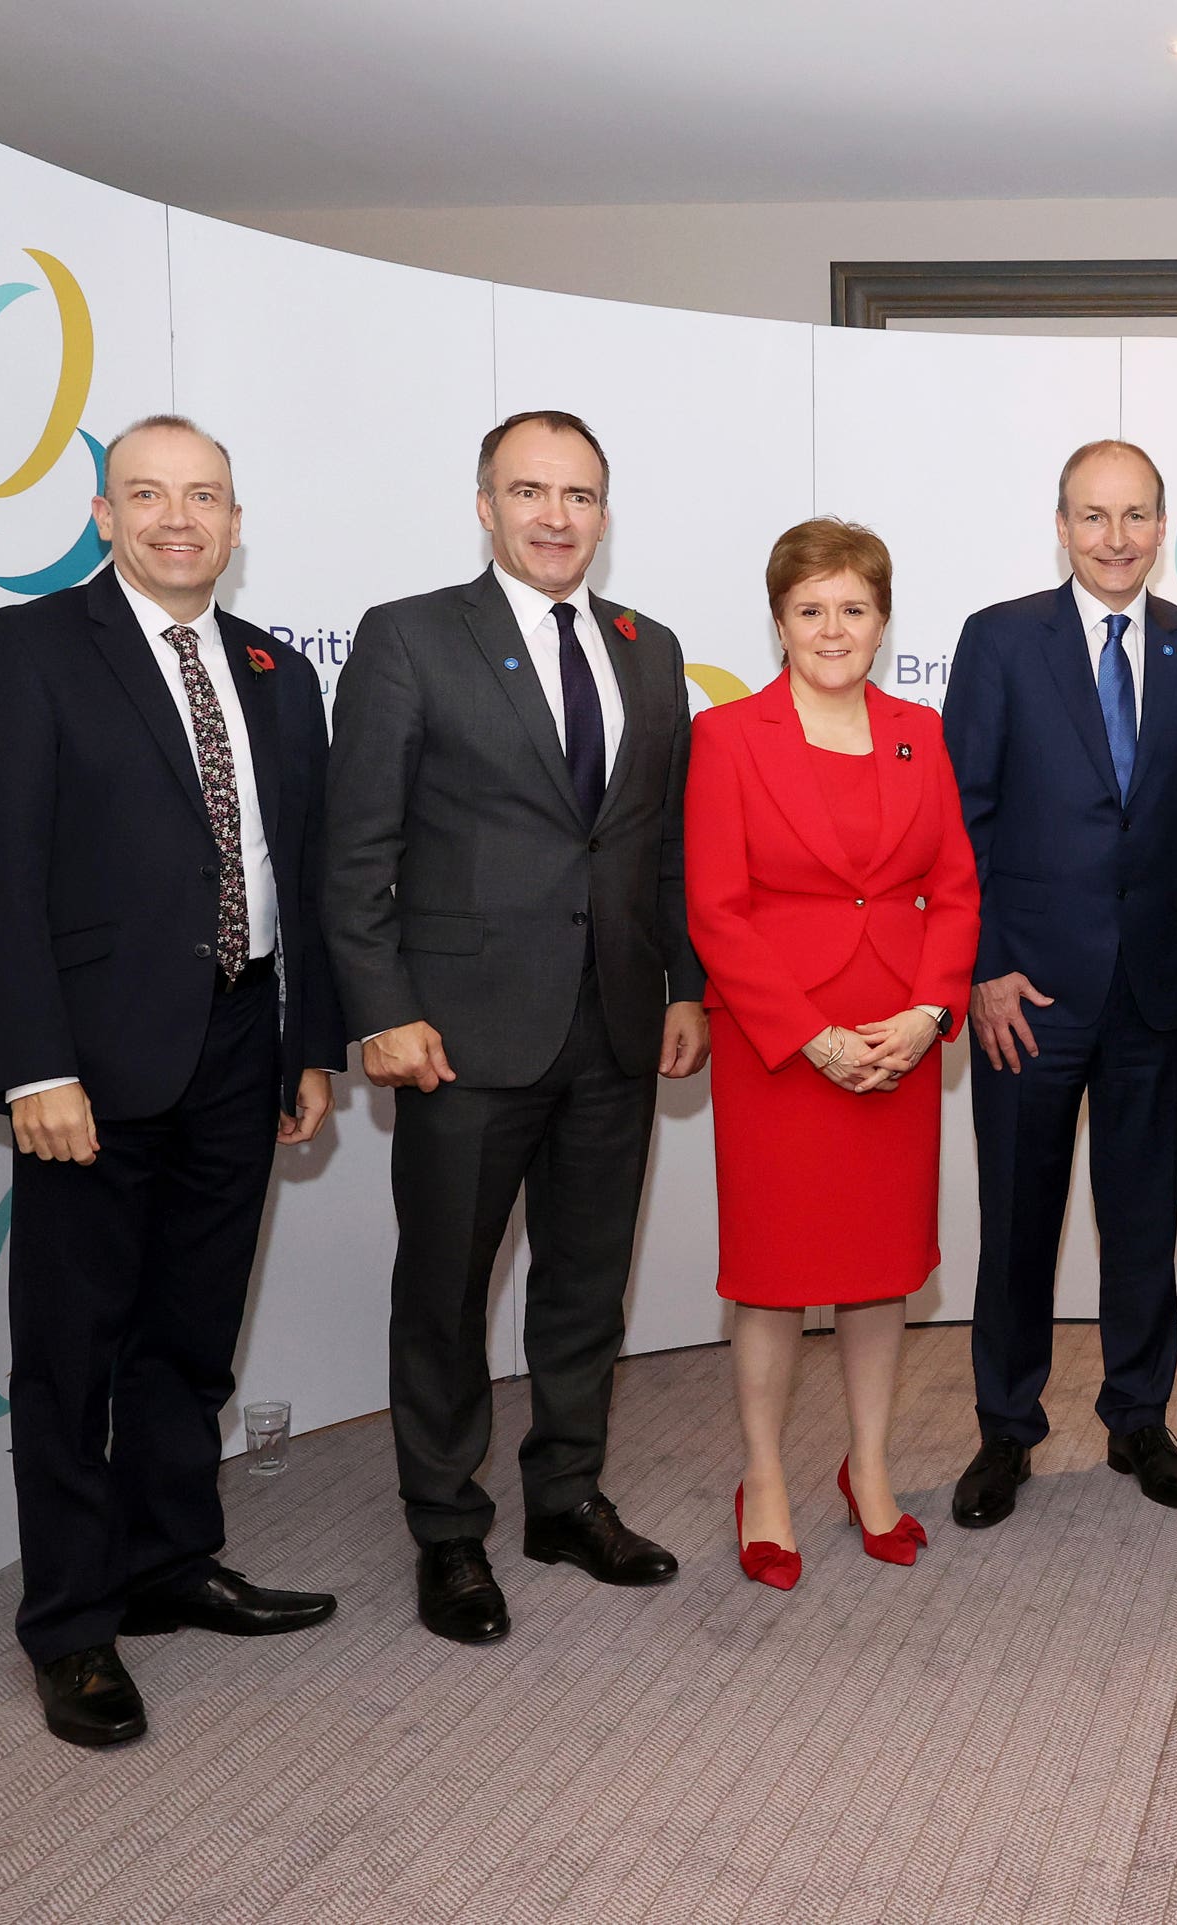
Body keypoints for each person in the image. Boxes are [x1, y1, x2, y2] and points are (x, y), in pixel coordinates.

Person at [0, 415, 342, 1747]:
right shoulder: (25, 651)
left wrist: (306, 1048)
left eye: (207, 497)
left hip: (241, 1041)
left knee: (190, 1330)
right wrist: (33, 1063)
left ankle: (169, 1561)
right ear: (105, 514)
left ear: (237, 521)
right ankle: (70, 1622)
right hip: (92, 1060)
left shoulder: (279, 670)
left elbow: (309, 873)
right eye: (150, 495)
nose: (180, 518)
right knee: (72, 1352)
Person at [325, 409, 710, 1645]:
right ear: (483, 505)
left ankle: (565, 1496)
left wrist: (685, 986)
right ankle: (447, 1530)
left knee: (586, 1284)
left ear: (605, 512)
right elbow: (357, 853)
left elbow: (657, 849)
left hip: (612, 1026)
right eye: (529, 491)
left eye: (580, 494)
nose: (556, 515)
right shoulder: (410, 637)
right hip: (459, 1035)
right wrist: (382, 1011)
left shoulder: (652, 651)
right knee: (443, 1291)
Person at [940, 439, 1177, 1527]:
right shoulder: (1000, 639)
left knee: (1139, 1220)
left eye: (1134, 516)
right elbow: (959, 817)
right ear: (1060, 525)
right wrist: (980, 968)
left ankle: (1138, 1417)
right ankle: (1005, 1430)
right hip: (1026, 993)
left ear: (1162, 527)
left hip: (1155, 989)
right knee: (1017, 1219)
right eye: (1092, 516)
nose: (1115, 538)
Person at [685, 520, 980, 1589]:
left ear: (882, 619)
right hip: (778, 1048)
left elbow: (952, 888)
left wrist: (930, 1012)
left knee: (878, 1272)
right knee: (770, 1276)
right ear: (777, 620)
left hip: (896, 1042)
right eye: (810, 608)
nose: (833, 628)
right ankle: (762, 1476)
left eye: (853, 607)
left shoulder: (920, 729)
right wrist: (808, 1034)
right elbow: (715, 909)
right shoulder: (727, 737)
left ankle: (869, 1466)